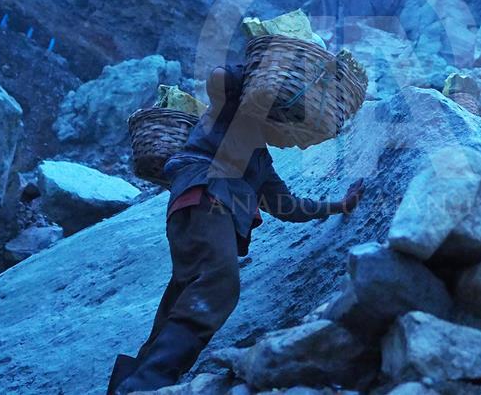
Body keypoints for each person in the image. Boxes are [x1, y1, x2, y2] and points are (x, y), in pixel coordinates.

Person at [109, 63, 365, 394]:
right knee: (219, 286)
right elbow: (218, 78)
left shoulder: (259, 157)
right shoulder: (233, 115)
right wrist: (262, 75)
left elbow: (287, 206)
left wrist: (337, 206)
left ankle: (131, 383)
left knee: (185, 291)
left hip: (189, 209)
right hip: (209, 200)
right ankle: (148, 384)